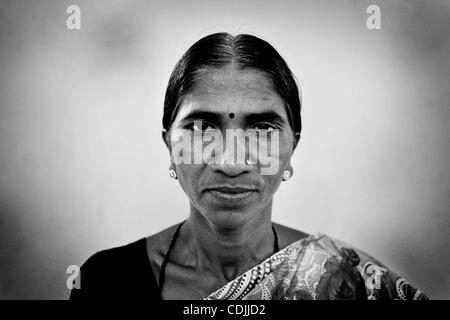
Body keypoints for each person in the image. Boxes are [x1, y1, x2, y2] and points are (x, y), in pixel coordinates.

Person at [70, 33, 427, 300]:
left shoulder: (342, 281)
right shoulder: (106, 282)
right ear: (169, 144)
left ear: (292, 145)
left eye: (262, 130)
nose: (230, 162)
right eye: (201, 128)